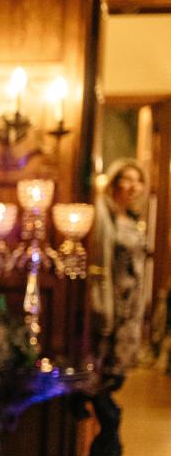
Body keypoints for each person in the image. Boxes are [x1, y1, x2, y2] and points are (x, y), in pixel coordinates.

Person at [93, 159, 149, 376]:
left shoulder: (133, 219)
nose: (134, 187)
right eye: (127, 179)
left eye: (139, 181)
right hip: (110, 293)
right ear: (115, 182)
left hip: (131, 298)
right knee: (102, 352)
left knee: (120, 361)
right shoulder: (104, 215)